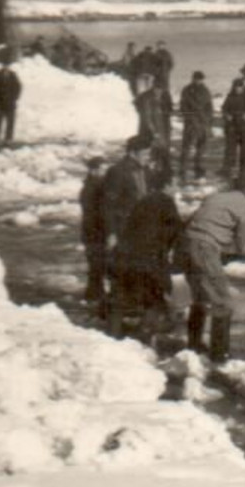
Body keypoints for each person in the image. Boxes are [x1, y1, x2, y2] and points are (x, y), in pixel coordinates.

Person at [182, 172, 245, 362]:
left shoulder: (216, 197)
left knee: (200, 297)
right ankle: (219, 355)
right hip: (204, 248)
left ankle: (194, 345)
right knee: (222, 302)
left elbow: (196, 221)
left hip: (185, 245)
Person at [109, 154, 184, 344]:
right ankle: (145, 336)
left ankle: (113, 336)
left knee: (122, 298)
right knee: (158, 296)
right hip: (146, 260)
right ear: (167, 185)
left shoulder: (144, 201)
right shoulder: (166, 202)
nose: (176, 188)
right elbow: (176, 232)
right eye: (175, 184)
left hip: (122, 257)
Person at [102, 137, 153, 286]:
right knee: (123, 267)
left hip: (142, 227)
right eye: (145, 154)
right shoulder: (117, 171)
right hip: (124, 226)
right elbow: (108, 204)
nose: (148, 158)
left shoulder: (144, 170)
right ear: (132, 153)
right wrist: (111, 232)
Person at [79, 156, 109, 315]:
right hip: (94, 233)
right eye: (102, 169)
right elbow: (94, 213)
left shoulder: (92, 186)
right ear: (93, 170)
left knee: (96, 267)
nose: (104, 172)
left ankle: (94, 295)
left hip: (92, 233)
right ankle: (94, 297)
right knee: (97, 266)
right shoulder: (92, 188)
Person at [178, 71, 215, 180]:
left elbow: (209, 107)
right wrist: (190, 118)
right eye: (196, 78)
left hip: (203, 122)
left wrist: (208, 120)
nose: (198, 80)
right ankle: (183, 169)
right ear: (193, 78)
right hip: (191, 123)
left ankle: (198, 168)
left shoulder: (205, 90)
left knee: (201, 147)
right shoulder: (187, 90)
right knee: (187, 146)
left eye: (200, 79)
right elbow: (183, 107)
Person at [221, 77, 245, 176]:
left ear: (243, 88)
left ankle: (244, 168)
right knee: (230, 148)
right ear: (233, 88)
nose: (238, 89)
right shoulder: (230, 97)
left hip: (244, 126)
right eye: (236, 87)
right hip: (232, 125)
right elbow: (224, 109)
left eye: (240, 87)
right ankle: (228, 168)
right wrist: (226, 115)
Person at [0, 57, 23, 145]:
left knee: (10, 121)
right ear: (2, 66)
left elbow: (18, 86)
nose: (5, 67)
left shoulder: (13, 75)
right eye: (4, 65)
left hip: (10, 102)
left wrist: (15, 97)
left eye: (7, 65)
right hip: (0, 102)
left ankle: (8, 138)